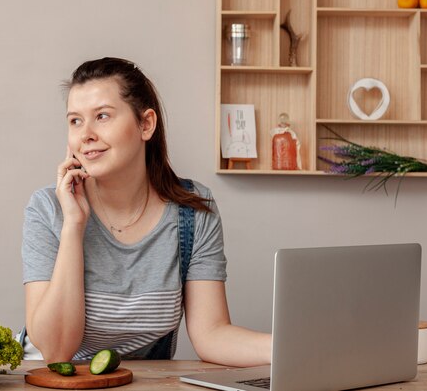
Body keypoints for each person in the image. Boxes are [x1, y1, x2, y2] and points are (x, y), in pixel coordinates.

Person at [21, 57, 271, 366]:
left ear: (146, 124)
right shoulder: (48, 209)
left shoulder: (192, 211)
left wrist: (295, 347)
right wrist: (73, 225)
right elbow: (55, 350)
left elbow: (212, 334)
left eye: (101, 116)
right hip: (49, 379)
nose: (85, 134)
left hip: (141, 383)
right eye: (75, 120)